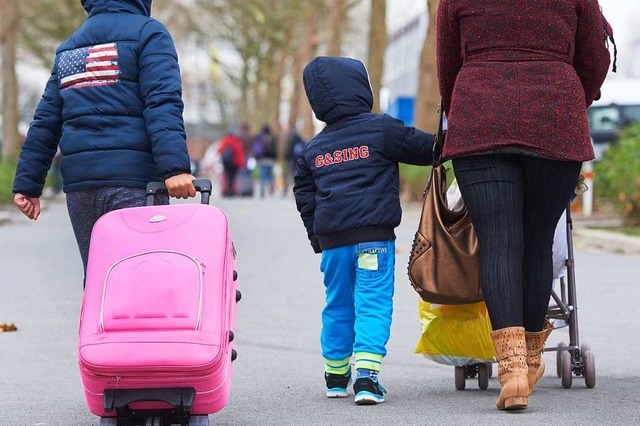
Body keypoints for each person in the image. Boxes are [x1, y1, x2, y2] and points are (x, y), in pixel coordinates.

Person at [436, 0, 612, 411]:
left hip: (480, 118)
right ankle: (530, 362)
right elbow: (594, 56)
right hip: (555, 116)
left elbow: (448, 67)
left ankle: (511, 370)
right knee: (537, 243)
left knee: (499, 244)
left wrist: (460, 105)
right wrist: (569, 93)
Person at [12, 0, 196, 278]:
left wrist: (27, 183)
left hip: (82, 188)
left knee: (101, 281)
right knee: (144, 281)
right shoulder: (149, 33)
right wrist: (175, 169)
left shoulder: (71, 47)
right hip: (135, 183)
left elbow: (46, 120)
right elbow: (161, 102)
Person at [294, 56, 435, 405]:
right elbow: (426, 148)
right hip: (373, 238)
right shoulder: (382, 129)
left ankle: (336, 375)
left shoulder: (314, 148)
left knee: (338, 304)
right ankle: (368, 378)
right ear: (362, 89)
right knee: (372, 302)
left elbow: (304, 195)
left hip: (333, 245)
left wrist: (318, 238)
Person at [217, 130, 246, 197]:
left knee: (227, 177)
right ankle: (232, 191)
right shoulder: (236, 142)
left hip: (226, 163)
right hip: (234, 163)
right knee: (233, 177)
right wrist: (242, 164)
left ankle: (227, 191)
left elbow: (219, 151)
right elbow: (240, 154)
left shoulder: (224, 142)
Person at [252, 124, 277, 198]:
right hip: (270, 159)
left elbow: (256, 147)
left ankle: (262, 190)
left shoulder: (260, 137)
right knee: (270, 175)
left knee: (262, 176)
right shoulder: (272, 137)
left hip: (262, 159)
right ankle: (271, 187)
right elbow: (275, 149)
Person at [283, 126, 306, 196]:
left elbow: (287, 150)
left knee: (288, 173)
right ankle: (294, 189)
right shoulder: (299, 138)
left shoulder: (289, 138)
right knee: (294, 174)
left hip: (290, 159)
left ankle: (287, 189)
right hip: (296, 158)